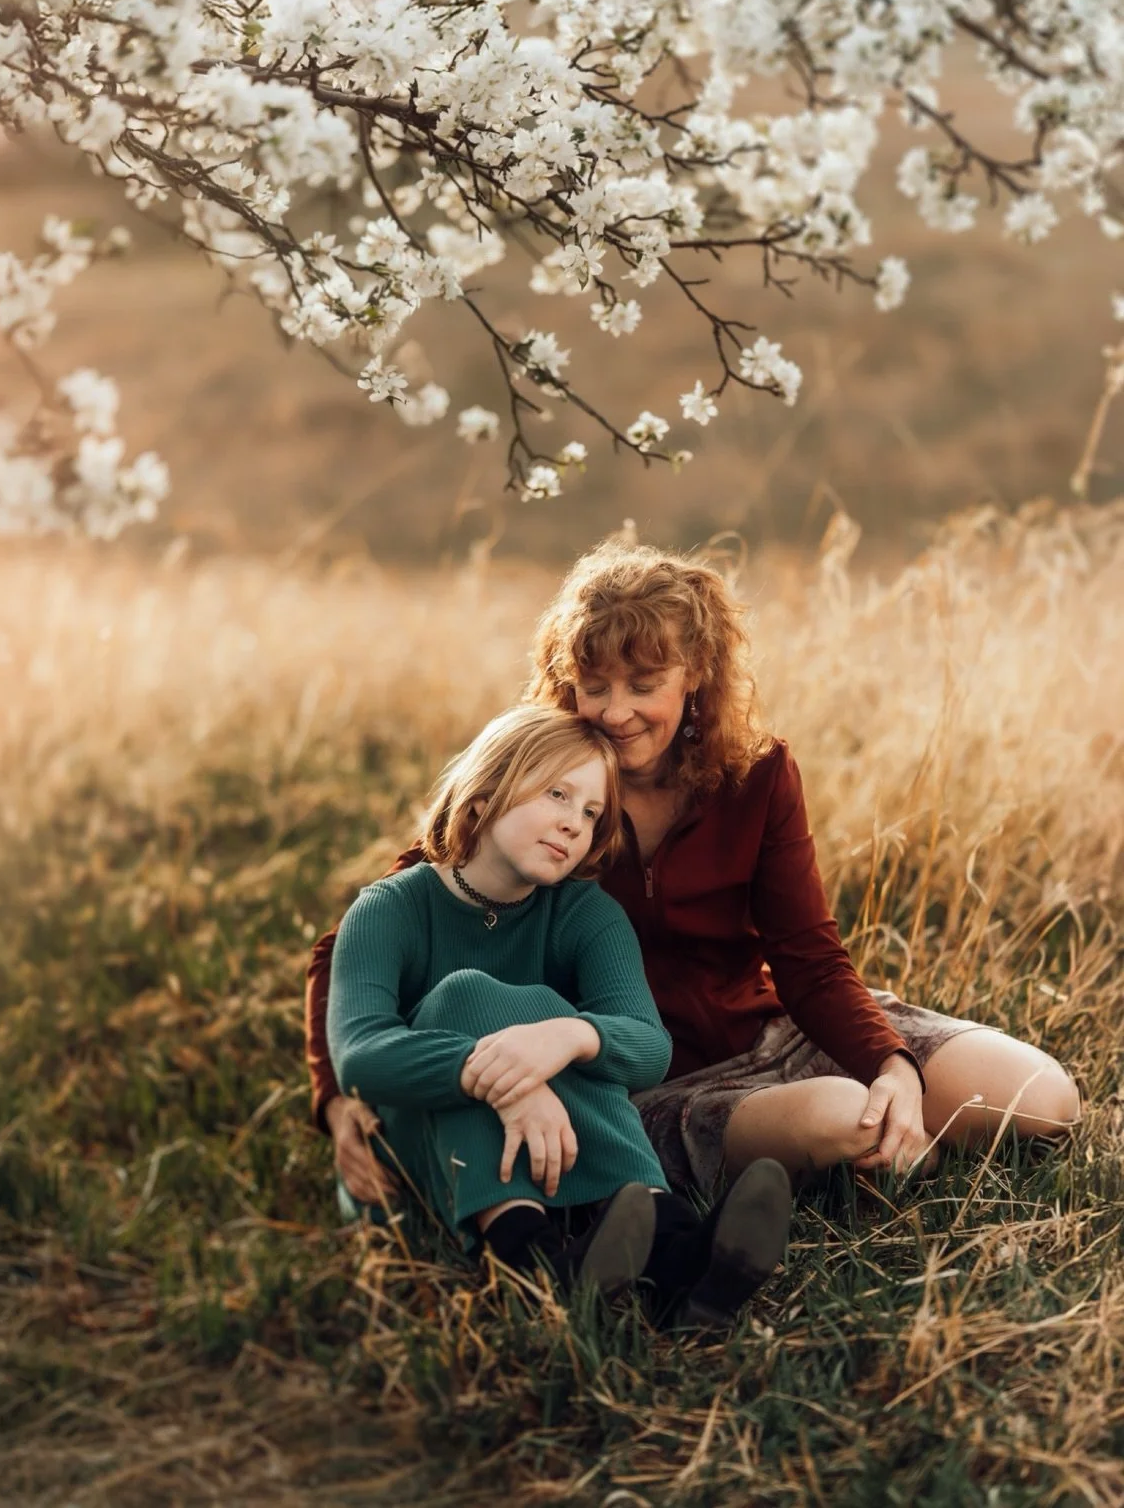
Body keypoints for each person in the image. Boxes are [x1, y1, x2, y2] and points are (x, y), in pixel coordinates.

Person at [310, 538, 1082, 1207]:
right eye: (595, 684)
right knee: (846, 1117)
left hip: (775, 1025)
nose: (615, 711)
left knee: (1042, 1100)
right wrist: (339, 1098)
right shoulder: (543, 788)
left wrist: (895, 1065)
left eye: (644, 685)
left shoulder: (758, 774)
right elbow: (369, 926)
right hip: (640, 1074)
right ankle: (815, 1154)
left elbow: (810, 956)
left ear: (696, 677)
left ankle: (862, 1141)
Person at [327, 703, 792, 1323]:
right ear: (486, 789)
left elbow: (648, 1049)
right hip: (417, 1162)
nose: (574, 824)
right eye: (557, 794)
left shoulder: (585, 913)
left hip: (549, 1156)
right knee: (466, 996)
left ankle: (677, 1258)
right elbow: (360, 1055)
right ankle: (526, 1261)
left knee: (573, 1027)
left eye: (592, 812)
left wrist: (565, 1038)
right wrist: (496, 1077)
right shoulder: (391, 909)